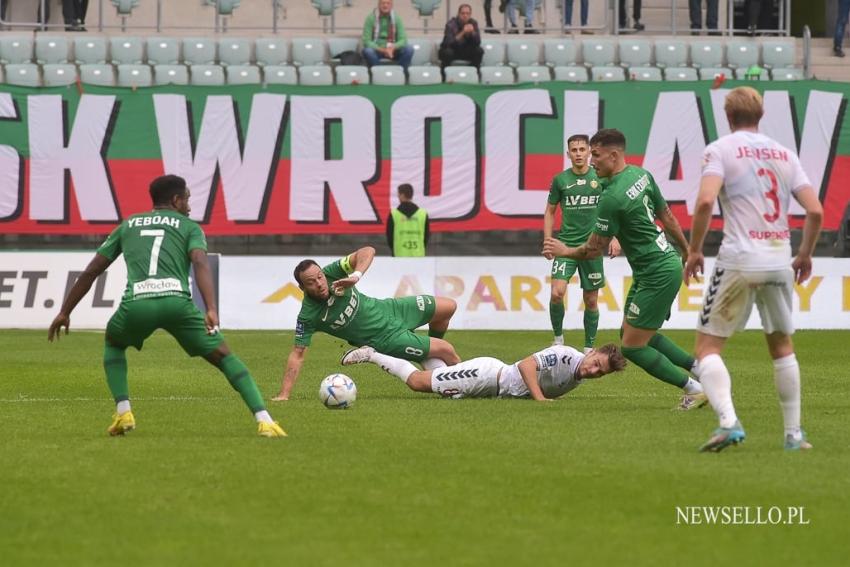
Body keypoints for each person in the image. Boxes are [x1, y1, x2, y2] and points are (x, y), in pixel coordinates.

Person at [47, 175, 286, 438]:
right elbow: (200, 262)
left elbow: (93, 270)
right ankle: (265, 420)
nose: (190, 207)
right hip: (178, 305)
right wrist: (211, 307)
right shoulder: (188, 226)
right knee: (224, 355)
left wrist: (64, 311)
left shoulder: (128, 225)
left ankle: (123, 411)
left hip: (137, 304)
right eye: (187, 200)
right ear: (176, 200)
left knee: (114, 343)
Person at [685, 87, 824, 452]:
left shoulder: (719, 150)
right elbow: (815, 211)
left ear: (729, 117)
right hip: (779, 259)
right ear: (760, 115)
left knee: (707, 347)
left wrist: (695, 249)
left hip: (739, 260)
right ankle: (794, 435)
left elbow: (704, 201)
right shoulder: (784, 155)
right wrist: (805, 254)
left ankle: (729, 422)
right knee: (782, 346)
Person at [543, 129, 706, 410]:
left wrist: (565, 250)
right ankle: (701, 370)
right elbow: (666, 217)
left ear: (614, 155)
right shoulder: (641, 175)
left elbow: (594, 249)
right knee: (630, 332)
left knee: (632, 346)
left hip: (656, 272)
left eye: (596, 154)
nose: (592, 161)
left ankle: (694, 388)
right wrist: (687, 251)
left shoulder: (613, 198)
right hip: (656, 265)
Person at [273, 247, 460, 401]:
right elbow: (297, 355)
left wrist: (355, 276)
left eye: (319, 277)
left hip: (391, 309)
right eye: (311, 282)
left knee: (448, 308)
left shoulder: (332, 273)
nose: (319, 283)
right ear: (302, 288)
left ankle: (428, 359)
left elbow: (367, 251)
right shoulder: (308, 316)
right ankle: (465, 384)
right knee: (446, 349)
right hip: (384, 338)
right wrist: (284, 394)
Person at [341, 342, 626, 400]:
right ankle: (373, 353)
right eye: (596, 364)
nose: (593, 371)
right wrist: (540, 400)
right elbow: (528, 365)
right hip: (489, 376)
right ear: (592, 352)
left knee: (443, 391)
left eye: (600, 373)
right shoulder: (566, 356)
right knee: (417, 383)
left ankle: (424, 348)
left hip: (490, 389)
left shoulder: (576, 377)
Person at [543, 134, 619, 351]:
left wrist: (615, 236)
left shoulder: (601, 179)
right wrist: (548, 240)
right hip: (565, 246)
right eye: (574, 150)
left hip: (592, 248)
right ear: (568, 154)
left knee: (591, 300)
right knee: (557, 293)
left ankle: (588, 348)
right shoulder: (561, 180)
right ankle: (558, 340)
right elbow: (550, 210)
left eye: (582, 150)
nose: (578, 154)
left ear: (589, 152)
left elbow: (617, 208)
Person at [361, 0, 414, 70]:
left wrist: (393, 48)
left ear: (391, 6)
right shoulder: (371, 18)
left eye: (388, 3)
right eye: (383, 3)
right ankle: (379, 72)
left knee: (409, 49)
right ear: (378, 5)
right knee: (368, 51)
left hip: (393, 50)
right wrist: (383, 50)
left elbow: (403, 40)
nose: (385, 5)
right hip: (377, 49)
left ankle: (399, 73)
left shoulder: (397, 18)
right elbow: (366, 41)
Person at [386, 183, 430, 257]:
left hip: (399, 256)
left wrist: (394, 250)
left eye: (398, 194)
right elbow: (426, 237)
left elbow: (390, 237)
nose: (398, 196)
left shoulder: (394, 214)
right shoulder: (423, 214)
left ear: (402, 195)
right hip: (418, 256)